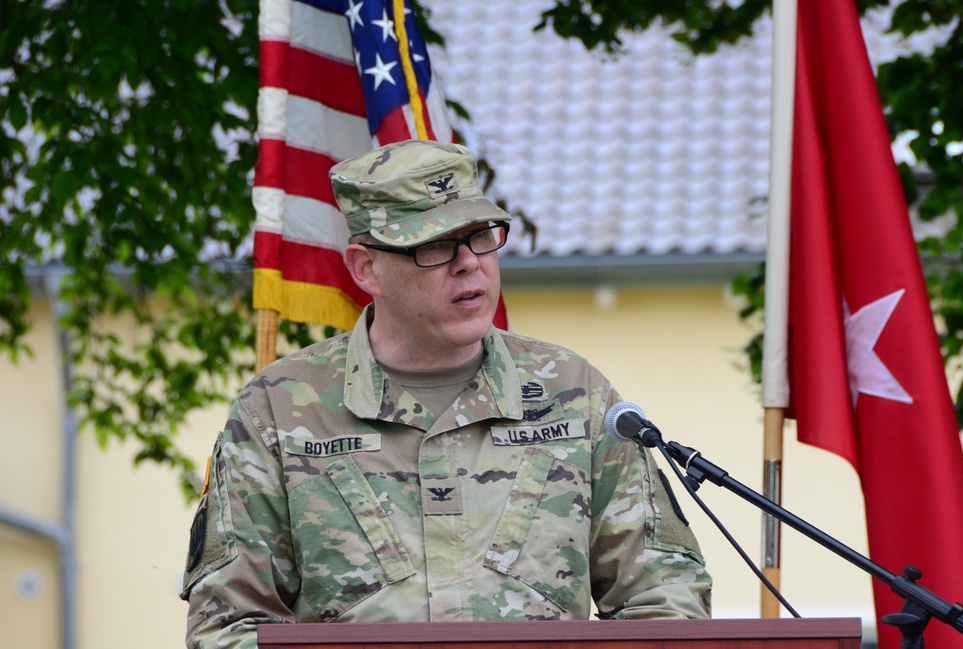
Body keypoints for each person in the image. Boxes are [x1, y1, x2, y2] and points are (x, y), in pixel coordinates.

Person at [181, 139, 711, 648]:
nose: (469, 263)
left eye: (481, 236)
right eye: (434, 246)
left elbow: (664, 598)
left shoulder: (575, 393)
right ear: (366, 267)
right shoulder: (280, 407)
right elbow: (228, 625)